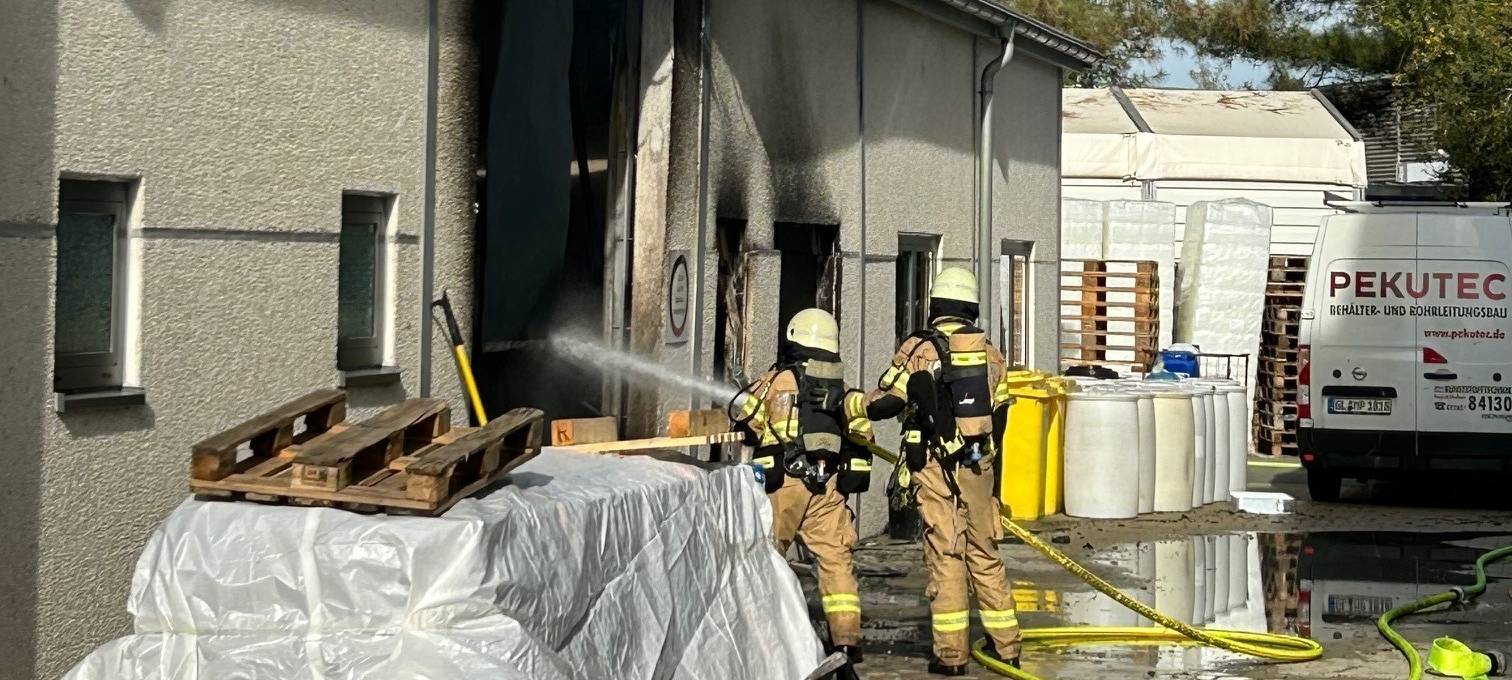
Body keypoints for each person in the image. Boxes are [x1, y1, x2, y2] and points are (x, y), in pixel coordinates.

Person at [864, 267, 1020, 676]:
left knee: (947, 553)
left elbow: (889, 403)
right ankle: (1008, 649)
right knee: (985, 553)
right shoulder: (991, 352)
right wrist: (992, 481)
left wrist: (850, 409)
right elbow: (1001, 418)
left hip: (935, 464)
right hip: (980, 463)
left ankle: (952, 656)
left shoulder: (918, 348)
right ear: (971, 307)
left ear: (934, 305)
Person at [729, 308, 874, 665]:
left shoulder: (780, 380)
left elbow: (748, 420)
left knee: (768, 554)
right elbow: (862, 433)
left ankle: (766, 632)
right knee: (836, 560)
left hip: (786, 486)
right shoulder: (840, 385)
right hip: (828, 487)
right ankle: (846, 642)